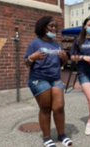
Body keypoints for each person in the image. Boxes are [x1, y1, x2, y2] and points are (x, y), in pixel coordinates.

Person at [26, 15, 70, 147]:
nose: (54, 28)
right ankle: (46, 137)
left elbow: (63, 63)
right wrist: (32, 57)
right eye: (51, 26)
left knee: (59, 107)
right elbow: (26, 62)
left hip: (55, 79)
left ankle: (62, 135)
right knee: (45, 108)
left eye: (55, 26)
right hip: (39, 79)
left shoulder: (56, 44)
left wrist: (64, 58)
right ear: (43, 27)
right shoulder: (35, 43)